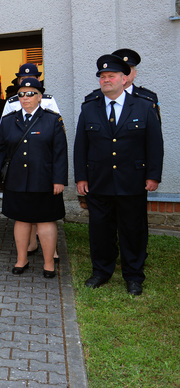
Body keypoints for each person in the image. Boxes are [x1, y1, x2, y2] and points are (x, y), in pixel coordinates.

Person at [74, 55, 163, 296]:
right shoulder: (89, 107)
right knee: (100, 229)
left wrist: (153, 176)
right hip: (98, 181)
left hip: (132, 180)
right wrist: (81, 177)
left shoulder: (144, 106)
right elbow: (81, 146)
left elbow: (155, 145)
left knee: (132, 230)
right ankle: (101, 271)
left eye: (111, 76)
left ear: (124, 79)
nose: (106, 80)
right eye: (102, 77)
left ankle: (133, 275)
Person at [0, 78, 67, 278]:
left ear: (40, 97)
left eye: (30, 94)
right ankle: (21, 259)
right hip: (17, 180)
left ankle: (48, 263)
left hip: (44, 180)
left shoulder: (52, 120)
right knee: (21, 220)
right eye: (21, 94)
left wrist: (59, 180)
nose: (25, 98)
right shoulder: (9, 120)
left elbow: (60, 152)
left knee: (45, 221)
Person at [85, 48, 161, 123]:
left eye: (128, 69)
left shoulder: (147, 99)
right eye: (121, 69)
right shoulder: (93, 99)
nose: (125, 72)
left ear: (135, 73)